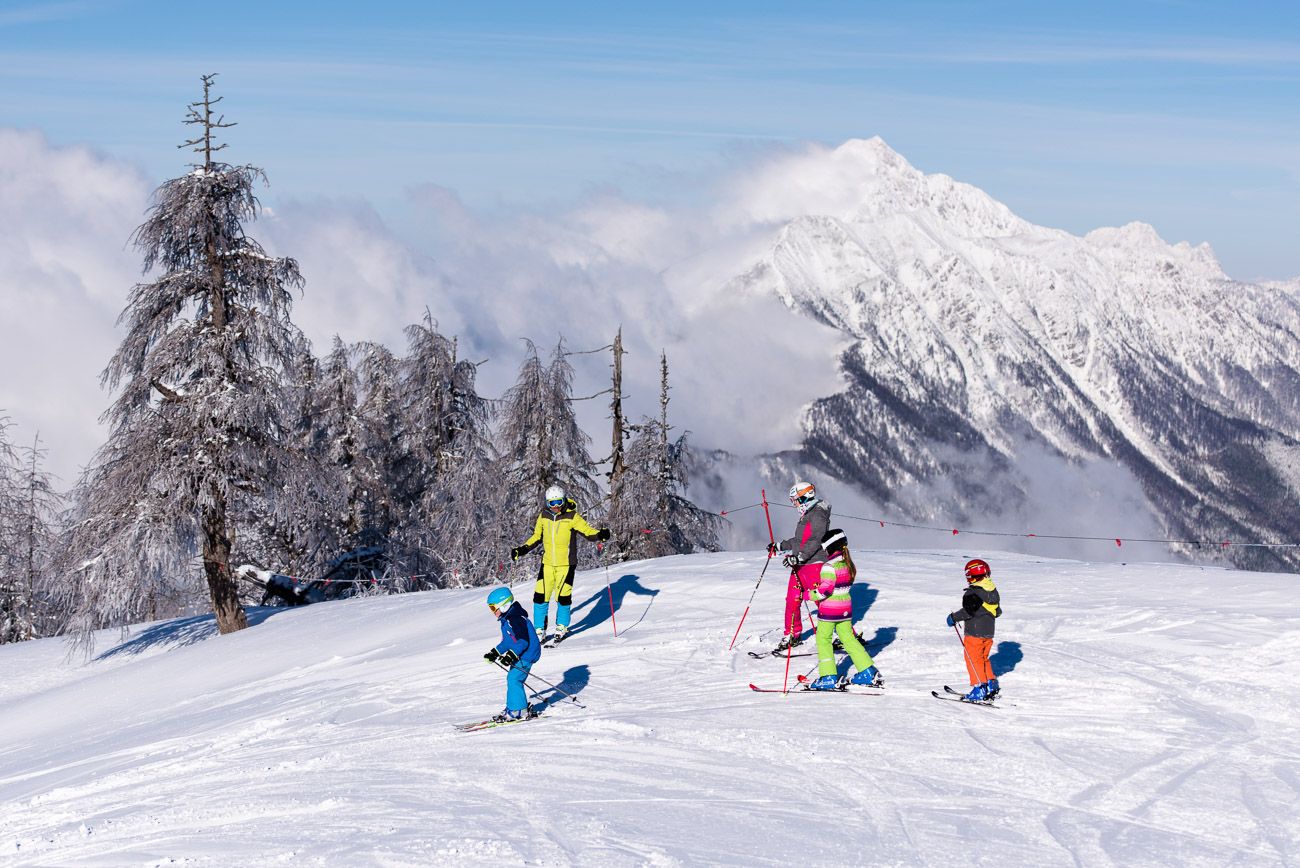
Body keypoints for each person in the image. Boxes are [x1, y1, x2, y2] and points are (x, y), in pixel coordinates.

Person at [510, 484, 610, 643]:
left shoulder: (572, 516)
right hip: (548, 564)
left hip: (566, 564)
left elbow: (587, 531)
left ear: (564, 501)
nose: (556, 507)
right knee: (540, 596)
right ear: (547, 503)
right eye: (552, 503)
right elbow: (536, 537)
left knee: (563, 597)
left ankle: (562, 626)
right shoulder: (544, 516)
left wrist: (600, 535)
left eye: (559, 502)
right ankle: (539, 629)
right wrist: (522, 550)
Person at [805, 529, 882, 690]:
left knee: (823, 639)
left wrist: (807, 594)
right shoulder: (847, 564)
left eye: (825, 548)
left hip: (830, 610)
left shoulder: (828, 566)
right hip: (845, 609)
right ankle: (867, 671)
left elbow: (825, 591)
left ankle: (828, 676)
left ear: (829, 547)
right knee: (848, 639)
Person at [768, 480, 831, 654]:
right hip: (800, 564)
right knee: (792, 599)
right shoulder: (807, 514)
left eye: (795, 500)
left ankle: (842, 633)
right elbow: (799, 541)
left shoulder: (818, 513)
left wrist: (800, 557)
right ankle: (792, 634)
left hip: (814, 563)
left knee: (821, 600)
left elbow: (816, 539)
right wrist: (780, 546)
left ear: (805, 497)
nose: (794, 504)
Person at [947, 558, 1002, 701]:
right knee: (983, 658)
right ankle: (991, 684)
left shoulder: (973, 592)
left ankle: (979, 688)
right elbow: (998, 611)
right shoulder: (992, 590)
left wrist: (953, 617)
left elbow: (968, 612)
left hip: (974, 632)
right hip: (988, 632)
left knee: (973, 659)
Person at [484, 586, 543, 722]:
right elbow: (508, 642)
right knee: (513, 679)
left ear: (503, 606)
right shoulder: (507, 619)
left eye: (493, 608)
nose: (493, 612)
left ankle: (518, 711)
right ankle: (513, 707)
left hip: (527, 654)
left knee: (514, 679)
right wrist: (495, 652)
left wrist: (511, 655)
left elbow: (522, 641)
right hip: (520, 654)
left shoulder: (515, 619)